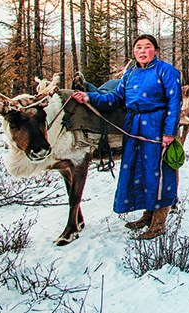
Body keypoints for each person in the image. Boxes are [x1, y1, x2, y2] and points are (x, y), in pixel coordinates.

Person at [73, 34, 182, 240]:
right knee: (140, 170)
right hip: (133, 129)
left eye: (147, 47)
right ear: (134, 51)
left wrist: (169, 133)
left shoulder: (167, 71)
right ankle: (148, 215)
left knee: (158, 171)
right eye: (138, 47)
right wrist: (89, 97)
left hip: (156, 127)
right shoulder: (130, 73)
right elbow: (113, 99)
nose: (142, 51)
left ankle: (159, 222)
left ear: (156, 50)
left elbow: (174, 103)